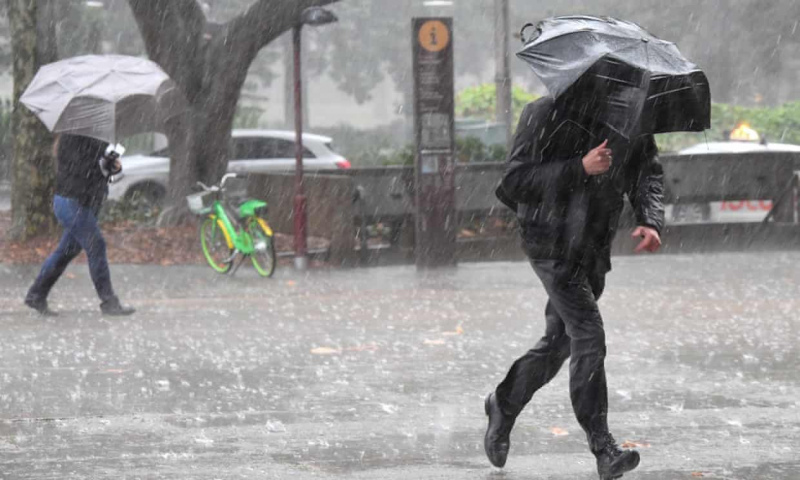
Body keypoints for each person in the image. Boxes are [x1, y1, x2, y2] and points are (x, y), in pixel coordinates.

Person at [485, 95, 664, 480]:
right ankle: (603, 448)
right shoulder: (544, 112)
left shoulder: (630, 115)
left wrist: (650, 219)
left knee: (560, 342)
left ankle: (503, 403)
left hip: (593, 245)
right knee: (588, 334)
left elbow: (646, 170)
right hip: (549, 242)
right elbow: (515, 181)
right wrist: (578, 168)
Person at [24, 134, 135, 317]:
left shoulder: (93, 137)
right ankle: (108, 301)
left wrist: (112, 166)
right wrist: (104, 163)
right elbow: (81, 170)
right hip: (71, 203)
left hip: (81, 203)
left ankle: (36, 295)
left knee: (65, 252)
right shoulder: (72, 138)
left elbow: (99, 172)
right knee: (96, 245)